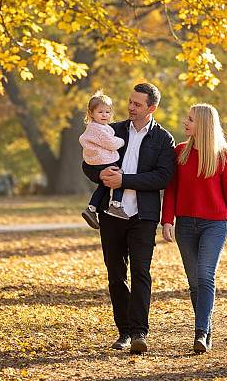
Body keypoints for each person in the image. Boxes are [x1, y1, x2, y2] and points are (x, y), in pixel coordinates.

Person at [82, 83, 175, 354]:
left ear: (151, 108)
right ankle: (123, 333)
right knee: (115, 274)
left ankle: (139, 333)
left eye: (137, 104)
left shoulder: (163, 139)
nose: (130, 107)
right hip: (111, 214)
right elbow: (88, 162)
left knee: (141, 273)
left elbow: (162, 177)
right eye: (130, 102)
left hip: (143, 216)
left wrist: (126, 180)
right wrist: (99, 175)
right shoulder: (112, 130)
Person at [161, 103, 227, 353]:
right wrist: (167, 220)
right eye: (187, 118)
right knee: (194, 282)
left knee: (205, 277)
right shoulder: (180, 152)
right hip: (185, 225)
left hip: (214, 226)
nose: (185, 122)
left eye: (190, 119)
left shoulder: (223, 155)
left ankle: (201, 333)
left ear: (204, 125)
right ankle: (205, 327)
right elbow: (171, 190)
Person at [79, 90, 129, 230]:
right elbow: (111, 144)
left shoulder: (99, 128)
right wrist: (122, 141)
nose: (105, 115)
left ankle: (91, 208)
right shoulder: (97, 129)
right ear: (91, 114)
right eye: (100, 112)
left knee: (104, 184)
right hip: (103, 160)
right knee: (119, 177)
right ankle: (116, 204)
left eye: (107, 112)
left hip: (97, 161)